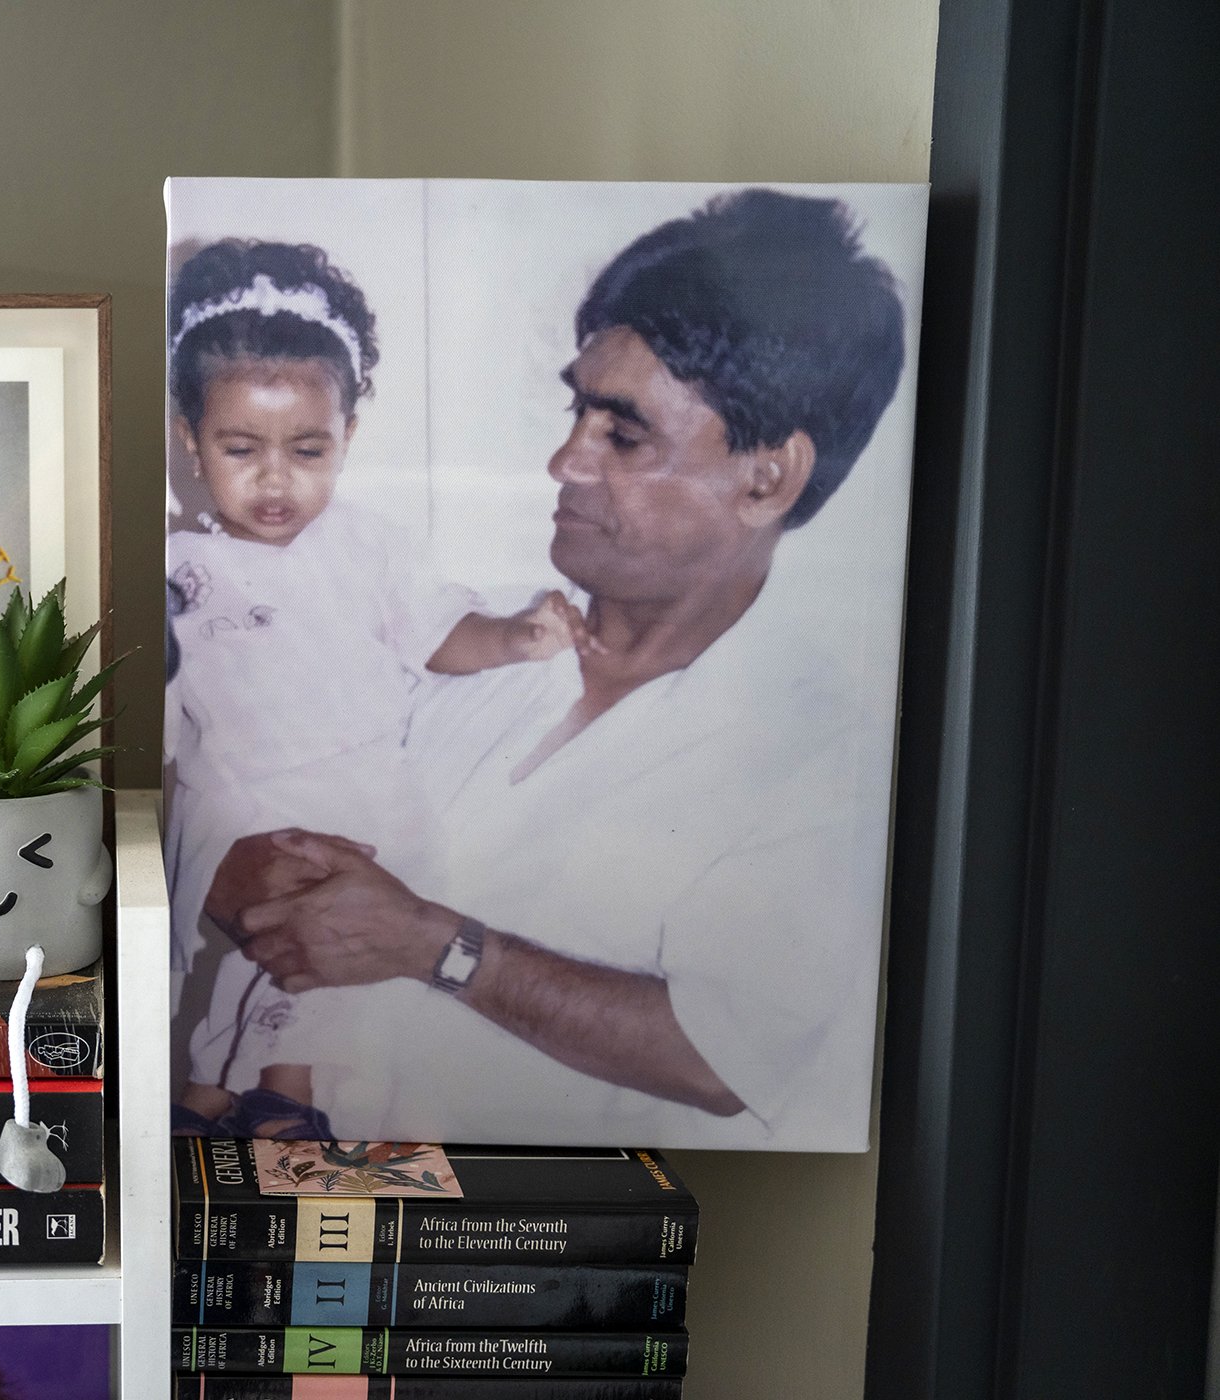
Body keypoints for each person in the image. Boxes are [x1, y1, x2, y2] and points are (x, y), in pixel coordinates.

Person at [205, 190, 910, 1150]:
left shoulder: (824, 757)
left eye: (622, 434)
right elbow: (232, 757)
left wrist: (433, 946)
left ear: (767, 476)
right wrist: (229, 869)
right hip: (298, 1186)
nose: (561, 461)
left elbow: (721, 1056)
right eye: (577, 411)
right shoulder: (460, 625)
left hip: (522, 1242)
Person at [164, 238, 582, 1137]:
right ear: (191, 441)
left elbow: (439, 636)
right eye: (241, 447)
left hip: (358, 783)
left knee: (336, 944)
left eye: (308, 449)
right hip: (236, 794)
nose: (276, 478)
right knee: (261, 930)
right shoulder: (177, 567)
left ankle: (285, 1090)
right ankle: (206, 1089)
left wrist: (515, 637)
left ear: (348, 436)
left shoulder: (370, 546)